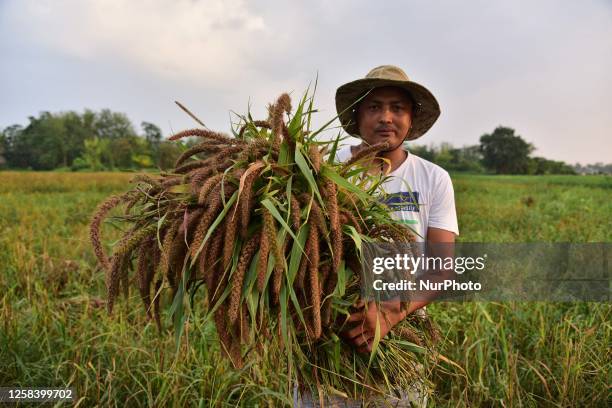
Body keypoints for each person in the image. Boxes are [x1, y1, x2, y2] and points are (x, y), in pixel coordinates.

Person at [304, 65, 459, 406]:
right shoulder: (320, 170)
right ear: (357, 115)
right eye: (374, 107)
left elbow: (440, 268)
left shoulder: (433, 178)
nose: (386, 117)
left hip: (401, 330)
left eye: (397, 108)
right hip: (324, 331)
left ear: (411, 118)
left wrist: (388, 314)